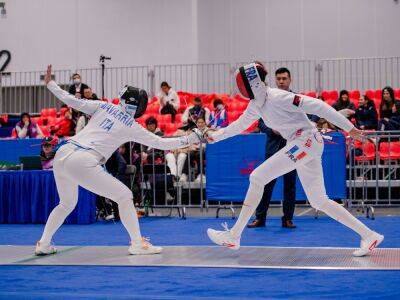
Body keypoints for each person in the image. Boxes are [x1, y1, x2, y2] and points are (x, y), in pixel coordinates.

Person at [206, 62, 384, 257]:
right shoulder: (256, 105)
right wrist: (216, 136)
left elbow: (318, 106)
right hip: (304, 143)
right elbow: (238, 126)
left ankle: (234, 235)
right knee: (319, 201)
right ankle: (369, 235)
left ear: (253, 83)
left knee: (257, 177)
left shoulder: (279, 97)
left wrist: (348, 128)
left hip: (306, 141)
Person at [35, 65, 201, 256]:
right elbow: (160, 143)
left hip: (63, 154)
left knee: (66, 204)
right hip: (83, 159)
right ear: (137, 105)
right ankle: (138, 244)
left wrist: (51, 84)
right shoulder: (131, 125)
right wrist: (191, 138)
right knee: (124, 196)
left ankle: (44, 243)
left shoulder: (104, 105)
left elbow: (72, 101)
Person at [247, 67, 297, 229]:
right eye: (279, 79)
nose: (281, 81)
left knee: (290, 185)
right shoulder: (268, 99)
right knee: (266, 183)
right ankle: (260, 218)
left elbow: (309, 117)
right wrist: (272, 129)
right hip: (273, 148)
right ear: (275, 80)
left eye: (284, 78)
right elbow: (260, 122)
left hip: (291, 149)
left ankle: (288, 219)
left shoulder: (297, 99)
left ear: (290, 80)